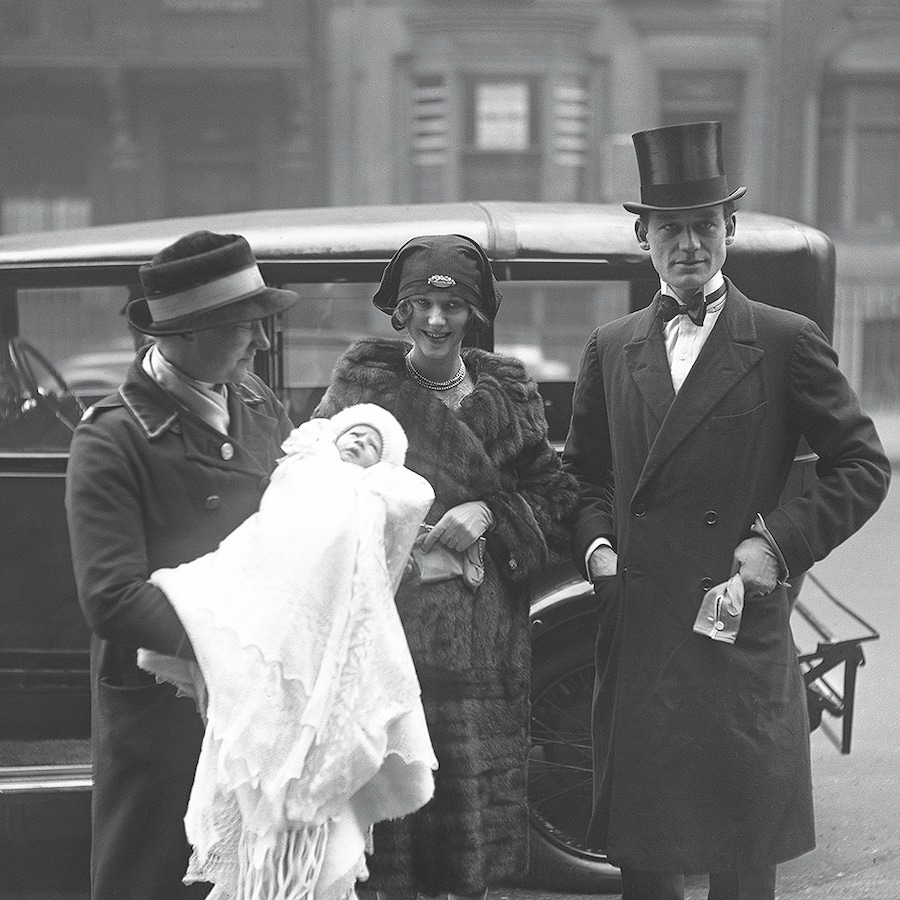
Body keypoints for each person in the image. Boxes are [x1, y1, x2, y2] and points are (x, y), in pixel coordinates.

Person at [561, 120, 892, 900]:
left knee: (742, 864)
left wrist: (777, 544)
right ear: (643, 238)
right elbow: (583, 479)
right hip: (643, 632)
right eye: (670, 229)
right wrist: (598, 551)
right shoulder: (611, 347)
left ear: (729, 231)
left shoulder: (783, 341)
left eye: (703, 226)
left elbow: (862, 464)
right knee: (646, 865)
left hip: (736, 630)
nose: (688, 245)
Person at [314, 233, 580, 900]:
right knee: (392, 837)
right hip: (389, 637)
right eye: (421, 306)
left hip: (484, 643)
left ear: (473, 314)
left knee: (469, 845)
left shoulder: (509, 393)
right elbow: (310, 492)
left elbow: (555, 497)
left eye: (453, 306)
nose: (437, 321)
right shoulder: (362, 389)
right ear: (400, 312)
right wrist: (393, 525)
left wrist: (491, 515)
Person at [65, 230, 301, 900]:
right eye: (246, 328)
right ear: (188, 334)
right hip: (168, 706)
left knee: (254, 873)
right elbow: (111, 597)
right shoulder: (111, 436)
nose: (260, 342)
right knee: (157, 874)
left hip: (256, 703)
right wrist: (241, 643)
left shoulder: (253, 401)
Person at [137, 403, 438, 900]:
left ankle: (296, 873)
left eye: (372, 447)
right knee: (260, 744)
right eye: (355, 434)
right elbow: (267, 539)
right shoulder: (302, 472)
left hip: (333, 634)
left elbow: (405, 509)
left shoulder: (375, 495)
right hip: (276, 624)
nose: (360, 444)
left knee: (315, 771)